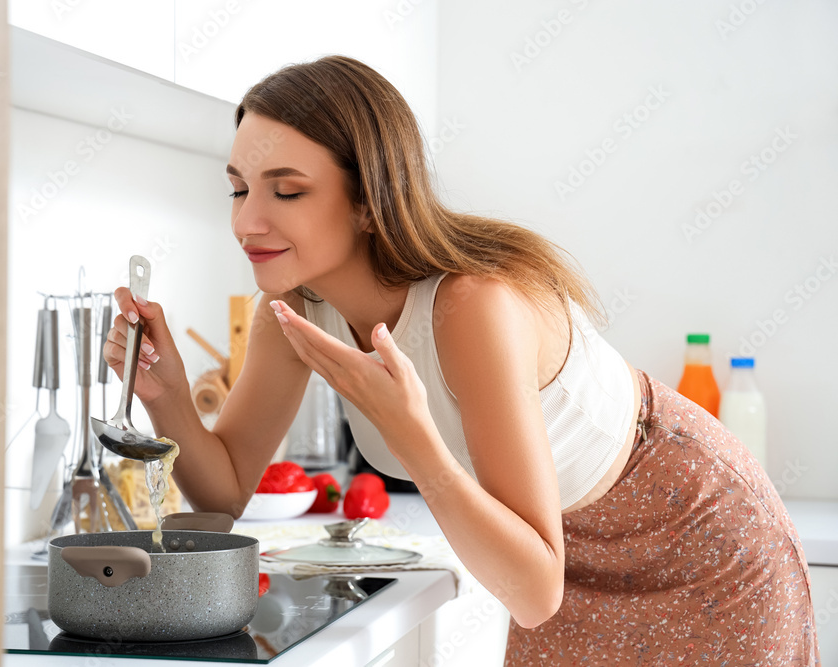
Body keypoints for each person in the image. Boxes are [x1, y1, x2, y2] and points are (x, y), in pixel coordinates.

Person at [103, 55, 820, 665]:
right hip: (554, 549)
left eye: (286, 190)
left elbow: (536, 588)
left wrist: (412, 434)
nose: (245, 221)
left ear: (368, 199)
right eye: (238, 187)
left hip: (694, 532)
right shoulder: (293, 311)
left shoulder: (471, 306)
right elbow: (223, 493)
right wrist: (162, 394)